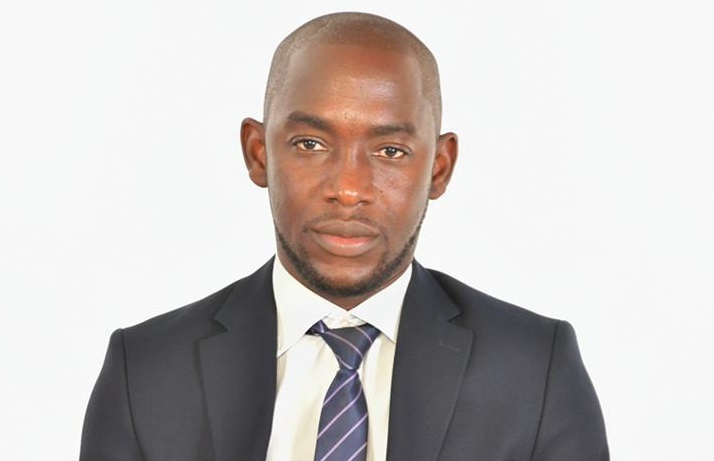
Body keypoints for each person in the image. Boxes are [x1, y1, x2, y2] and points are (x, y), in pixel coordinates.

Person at [80, 11, 609, 461]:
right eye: (310, 144)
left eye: (391, 151)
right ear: (258, 154)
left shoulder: (534, 371)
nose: (349, 189)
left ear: (439, 167)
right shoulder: (145, 372)